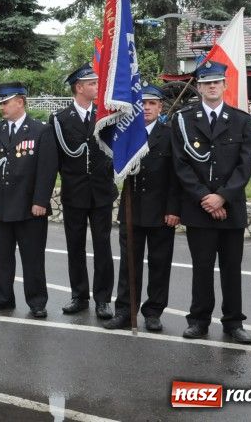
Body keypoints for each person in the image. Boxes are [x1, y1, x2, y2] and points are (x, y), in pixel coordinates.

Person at [172, 61, 251, 344]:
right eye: (206, 83)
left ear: (225, 85)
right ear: (198, 88)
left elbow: (245, 166)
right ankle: (199, 320)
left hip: (231, 207)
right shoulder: (183, 119)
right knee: (202, 267)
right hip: (199, 208)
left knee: (232, 268)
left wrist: (222, 196)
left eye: (217, 82)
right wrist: (205, 198)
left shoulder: (242, 120)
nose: (212, 86)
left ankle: (233, 323)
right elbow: (181, 165)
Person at [104, 84, 181, 332]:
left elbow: (176, 176)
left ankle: (153, 311)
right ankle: (125, 310)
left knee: (160, 264)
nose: (146, 108)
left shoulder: (170, 135)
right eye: (143, 104)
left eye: (152, 104)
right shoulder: (127, 134)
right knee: (129, 264)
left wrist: (173, 209)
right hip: (132, 209)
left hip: (161, 212)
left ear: (160, 108)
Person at [0, 83, 58, 318]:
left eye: (5, 102)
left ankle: (36, 301)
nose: (1, 107)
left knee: (32, 257)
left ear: (20, 102)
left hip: (28, 206)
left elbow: (47, 169)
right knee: (2, 256)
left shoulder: (40, 130)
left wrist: (41, 201)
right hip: (1, 205)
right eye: (0, 103)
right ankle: (2, 297)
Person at [51, 63, 117, 320]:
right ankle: (79, 295)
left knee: (103, 246)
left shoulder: (105, 115)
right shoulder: (60, 119)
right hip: (74, 193)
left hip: (101, 192)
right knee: (75, 246)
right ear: (79, 88)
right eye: (92, 84)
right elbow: (54, 159)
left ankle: (103, 299)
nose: (96, 87)